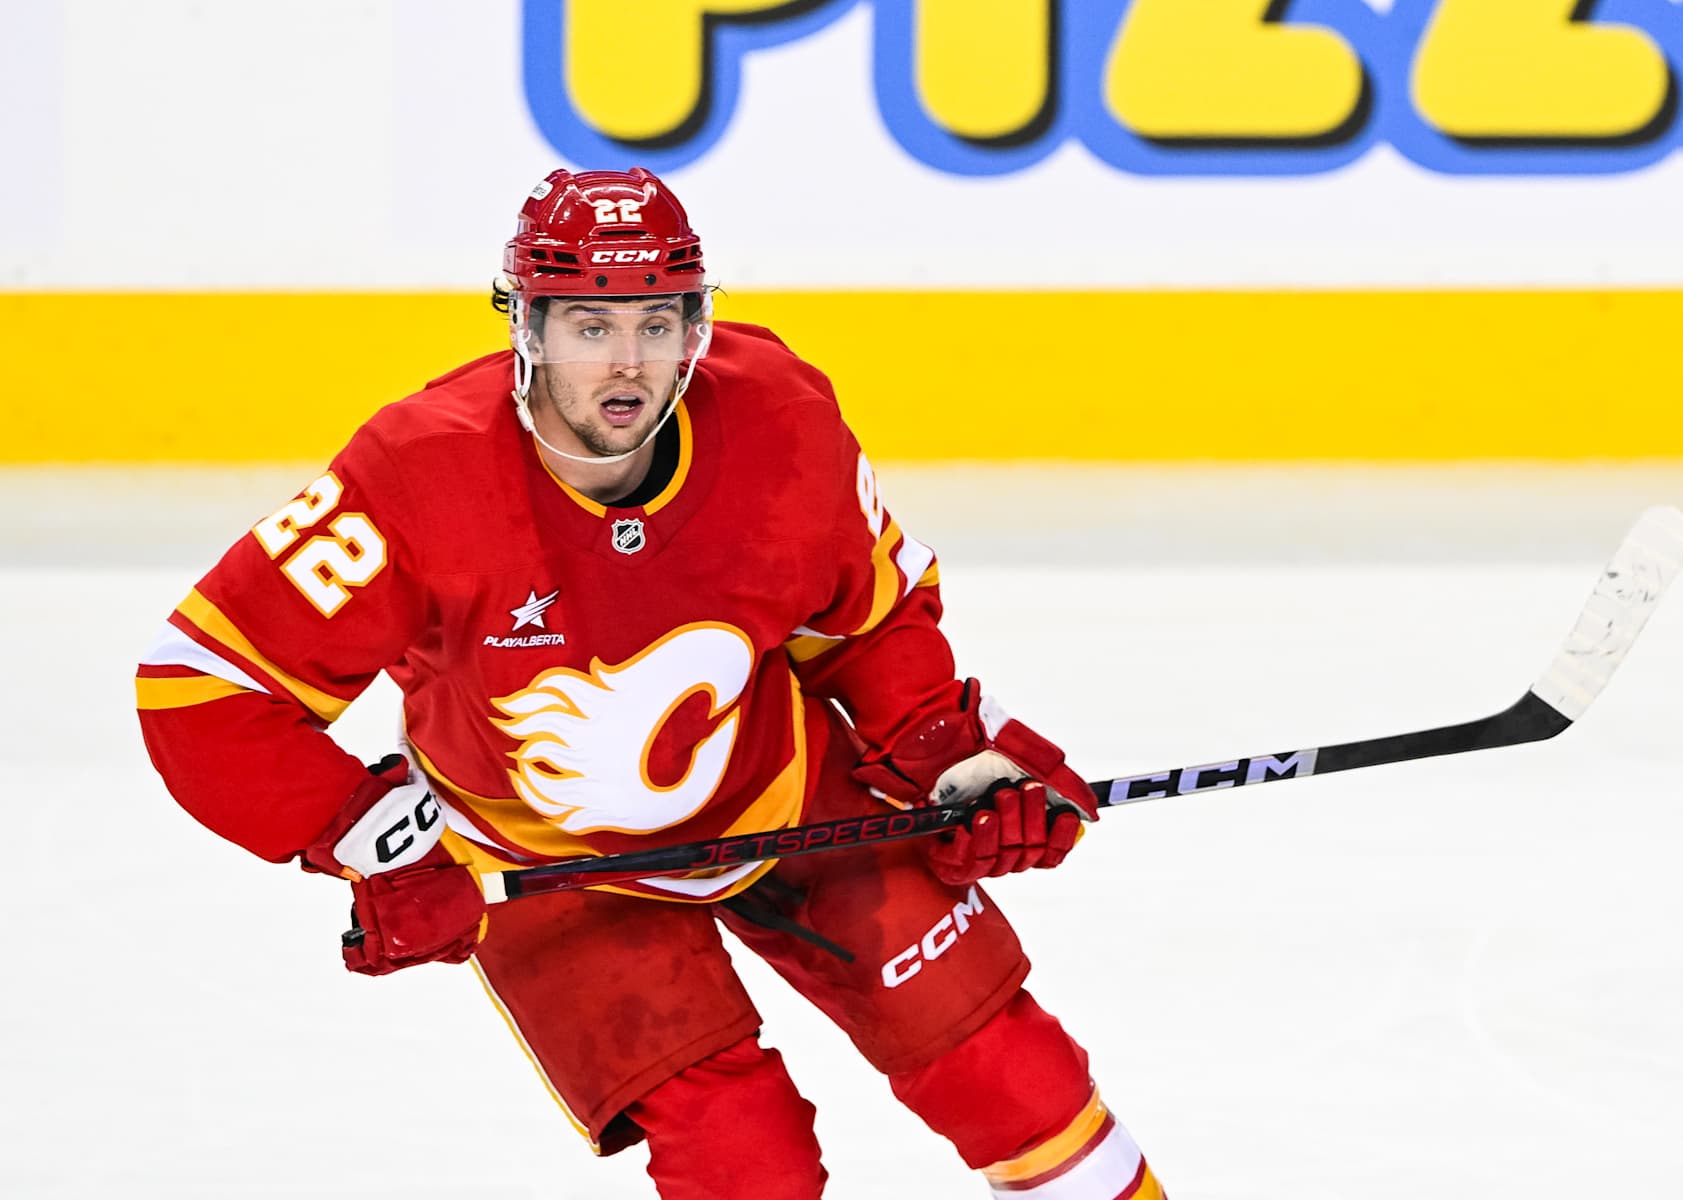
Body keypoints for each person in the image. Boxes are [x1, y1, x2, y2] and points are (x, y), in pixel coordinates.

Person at [135, 167, 1167, 1199]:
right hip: (551, 865)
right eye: (590, 326)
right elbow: (201, 690)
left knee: (1010, 1076)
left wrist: (953, 759)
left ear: (696, 326)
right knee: (744, 1161)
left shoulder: (776, 415)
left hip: (786, 797)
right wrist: (382, 845)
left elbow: (865, 619)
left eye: (657, 322)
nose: (627, 363)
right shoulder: (420, 475)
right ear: (526, 329)